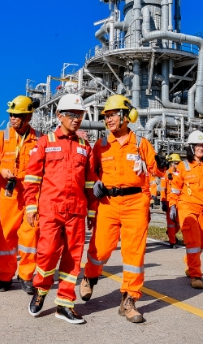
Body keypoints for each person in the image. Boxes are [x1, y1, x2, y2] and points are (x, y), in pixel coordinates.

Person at [80, 95, 168, 323]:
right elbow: (91, 173)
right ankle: (89, 276)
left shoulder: (140, 144)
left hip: (135, 203)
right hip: (108, 204)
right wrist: (95, 184)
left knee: (134, 253)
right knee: (101, 249)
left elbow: (157, 170)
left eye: (112, 115)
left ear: (125, 116)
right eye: (106, 116)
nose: (108, 120)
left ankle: (129, 299)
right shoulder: (101, 145)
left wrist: (162, 165)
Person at [24, 94, 98, 324]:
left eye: (80, 115)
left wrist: (92, 211)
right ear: (59, 116)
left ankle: (65, 304)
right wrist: (30, 206)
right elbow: (32, 178)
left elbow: (90, 182)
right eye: (72, 115)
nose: (76, 119)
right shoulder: (45, 142)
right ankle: (41, 290)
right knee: (47, 254)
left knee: (73, 259)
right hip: (50, 209)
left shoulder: (85, 146)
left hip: (76, 211)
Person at [0, 96, 41, 293]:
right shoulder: (2, 137)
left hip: (31, 194)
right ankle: (5, 277)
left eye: (17, 115)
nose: (12, 118)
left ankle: (26, 275)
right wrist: (0, 170)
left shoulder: (39, 139)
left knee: (30, 235)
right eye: (11, 115)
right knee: (6, 237)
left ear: (28, 117)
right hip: (8, 194)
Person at [167, 130, 203, 289]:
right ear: (191, 147)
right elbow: (175, 188)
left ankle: (189, 261)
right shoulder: (183, 166)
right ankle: (195, 275)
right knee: (193, 241)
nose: (201, 148)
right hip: (187, 207)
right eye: (197, 145)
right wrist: (172, 205)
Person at [163, 153, 181, 248]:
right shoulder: (166, 174)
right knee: (171, 223)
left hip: (179, 201)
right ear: (171, 163)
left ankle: (171, 233)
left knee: (179, 223)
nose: (178, 165)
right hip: (169, 201)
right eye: (176, 163)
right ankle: (172, 242)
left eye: (178, 163)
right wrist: (163, 201)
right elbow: (163, 188)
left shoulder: (179, 173)